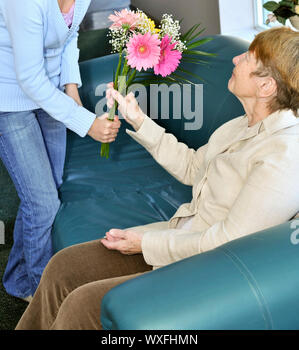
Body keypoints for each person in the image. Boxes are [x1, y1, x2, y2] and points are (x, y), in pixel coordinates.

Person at [15, 26, 299, 330]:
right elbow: (192, 167)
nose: (235, 60)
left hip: (210, 271)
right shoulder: (242, 124)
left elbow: (228, 244)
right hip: (181, 239)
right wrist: (137, 118)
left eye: (247, 59)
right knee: (64, 266)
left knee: (82, 306)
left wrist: (146, 243)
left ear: (266, 87)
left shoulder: (285, 155)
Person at [0, 0, 136, 302]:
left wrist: (72, 86)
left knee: (47, 192)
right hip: (11, 97)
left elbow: (71, 38)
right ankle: (31, 289)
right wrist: (84, 122)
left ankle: (20, 271)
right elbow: (28, 80)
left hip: (51, 91)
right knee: (41, 201)